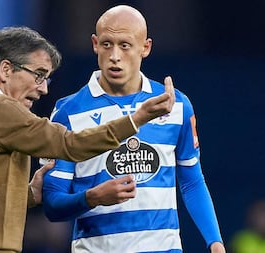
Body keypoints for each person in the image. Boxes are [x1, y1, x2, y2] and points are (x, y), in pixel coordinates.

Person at [0, 26, 175, 253]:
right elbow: (70, 144)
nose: (43, 88)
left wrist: (31, 194)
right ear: (6, 70)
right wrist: (137, 119)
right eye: (39, 75)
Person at [42, 5, 226, 253]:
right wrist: (93, 197)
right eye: (107, 44)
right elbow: (53, 203)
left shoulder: (175, 105)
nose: (115, 55)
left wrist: (215, 242)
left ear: (145, 48)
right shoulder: (67, 113)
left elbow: (192, 182)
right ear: (95, 44)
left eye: (125, 45)